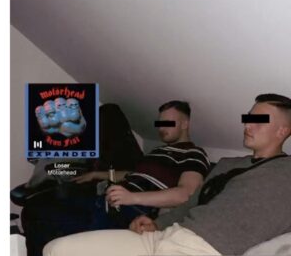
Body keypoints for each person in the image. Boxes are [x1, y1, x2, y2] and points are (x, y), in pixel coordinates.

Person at [45, 93, 291, 256]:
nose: (248, 125)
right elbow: (192, 202)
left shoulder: (285, 174)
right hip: (164, 235)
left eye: (260, 121)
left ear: (282, 131)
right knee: (57, 249)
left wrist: (133, 200)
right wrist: (157, 223)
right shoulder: (227, 163)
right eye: (249, 118)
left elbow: (183, 192)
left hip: (200, 250)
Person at [72, 100, 209, 225]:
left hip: (136, 210)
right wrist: (96, 174)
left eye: (168, 123)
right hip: (111, 199)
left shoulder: (194, 153)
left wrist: (131, 198)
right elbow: (132, 174)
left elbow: (186, 194)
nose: (161, 129)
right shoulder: (157, 151)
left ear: (185, 124)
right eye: (160, 123)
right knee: (59, 206)